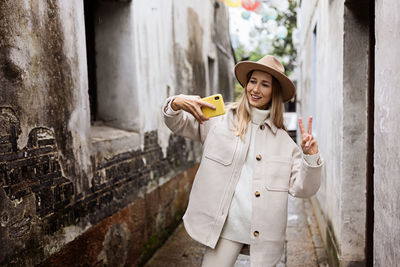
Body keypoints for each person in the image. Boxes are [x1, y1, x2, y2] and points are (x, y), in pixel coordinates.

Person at [162, 55, 323, 267]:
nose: (256, 89)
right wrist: (174, 103)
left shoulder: (285, 143)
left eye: (265, 84)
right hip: (226, 227)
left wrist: (311, 156)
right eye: (253, 81)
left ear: (274, 92)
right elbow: (179, 124)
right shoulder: (219, 118)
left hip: (265, 234)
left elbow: (303, 189)